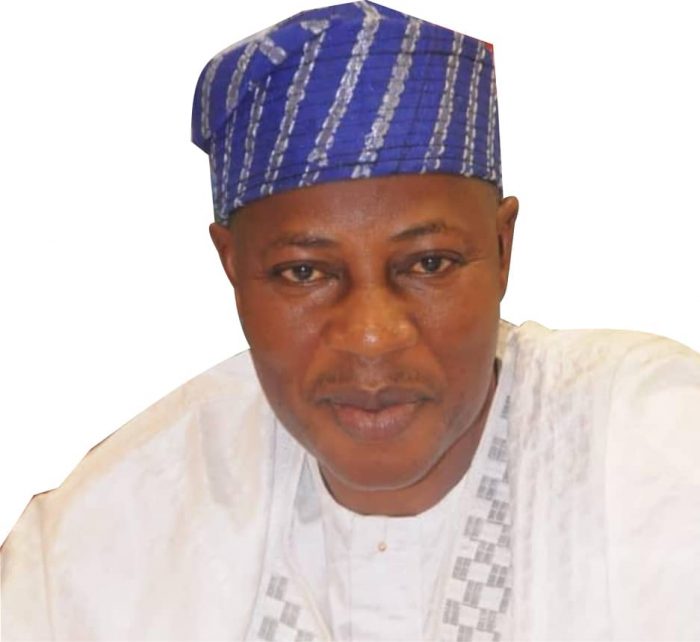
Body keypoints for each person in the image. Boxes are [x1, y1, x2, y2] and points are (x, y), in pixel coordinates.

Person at [2, 2, 699, 640]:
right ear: (232, 265)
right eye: (304, 273)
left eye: (429, 264)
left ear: (501, 247)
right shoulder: (107, 537)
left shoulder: (653, 449)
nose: (371, 335)